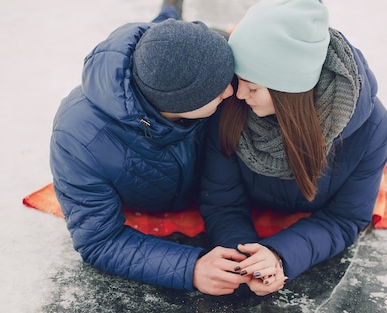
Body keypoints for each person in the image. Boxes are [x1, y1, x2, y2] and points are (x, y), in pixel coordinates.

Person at [50, 0, 250, 295]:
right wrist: (190, 268)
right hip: (157, 198)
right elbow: (99, 240)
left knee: (168, 23)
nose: (233, 91)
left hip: (184, 64)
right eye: (219, 87)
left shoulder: (176, 57)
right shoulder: (79, 140)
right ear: (181, 103)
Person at [199, 0, 387, 296]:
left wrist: (280, 257)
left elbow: (346, 218)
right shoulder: (232, 106)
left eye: (252, 87)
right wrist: (246, 260)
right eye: (240, 80)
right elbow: (222, 202)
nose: (238, 93)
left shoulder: (371, 129)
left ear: (289, 89)